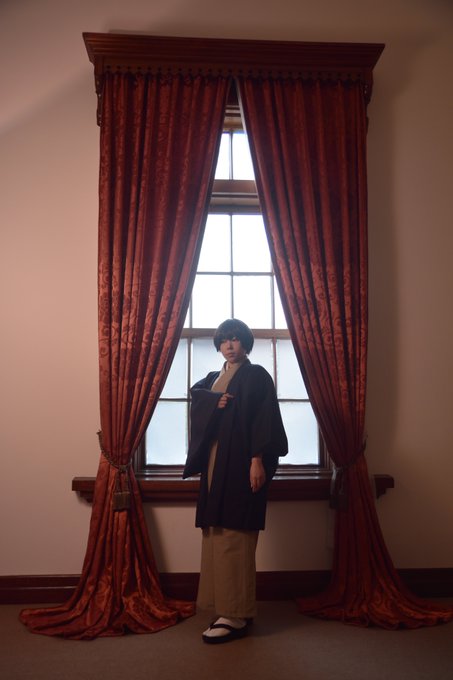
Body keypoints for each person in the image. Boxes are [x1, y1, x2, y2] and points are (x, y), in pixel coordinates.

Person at [183, 319, 288, 644]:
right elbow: (197, 397)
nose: (230, 345)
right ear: (219, 345)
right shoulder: (213, 378)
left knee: (236, 533)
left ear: (246, 344)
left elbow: (263, 419)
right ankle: (223, 606)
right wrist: (213, 402)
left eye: (236, 339)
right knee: (215, 532)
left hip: (243, 462)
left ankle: (237, 614)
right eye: (224, 340)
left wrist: (257, 460)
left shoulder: (256, 376)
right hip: (216, 463)